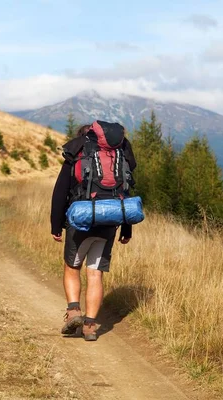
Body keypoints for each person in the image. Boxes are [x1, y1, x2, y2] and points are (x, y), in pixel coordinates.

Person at [51, 121, 136, 341]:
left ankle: (73, 311)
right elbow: (125, 193)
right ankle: (90, 326)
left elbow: (60, 192)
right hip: (110, 222)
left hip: (81, 221)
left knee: (72, 267)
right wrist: (127, 228)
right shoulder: (118, 156)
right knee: (95, 273)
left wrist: (55, 225)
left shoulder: (78, 152)